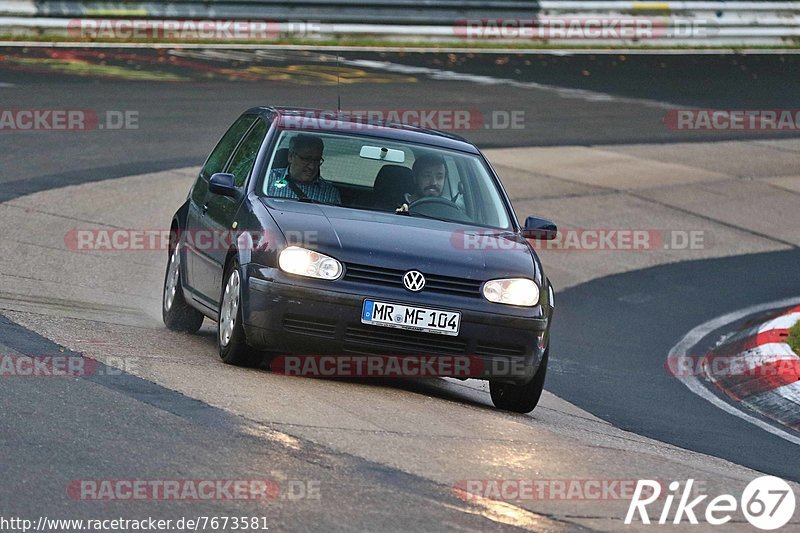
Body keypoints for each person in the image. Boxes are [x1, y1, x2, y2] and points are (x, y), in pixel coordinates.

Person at [265, 134, 341, 205]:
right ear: (291, 157)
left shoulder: (330, 194)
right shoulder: (268, 180)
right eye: (306, 159)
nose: (312, 167)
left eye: (317, 160)